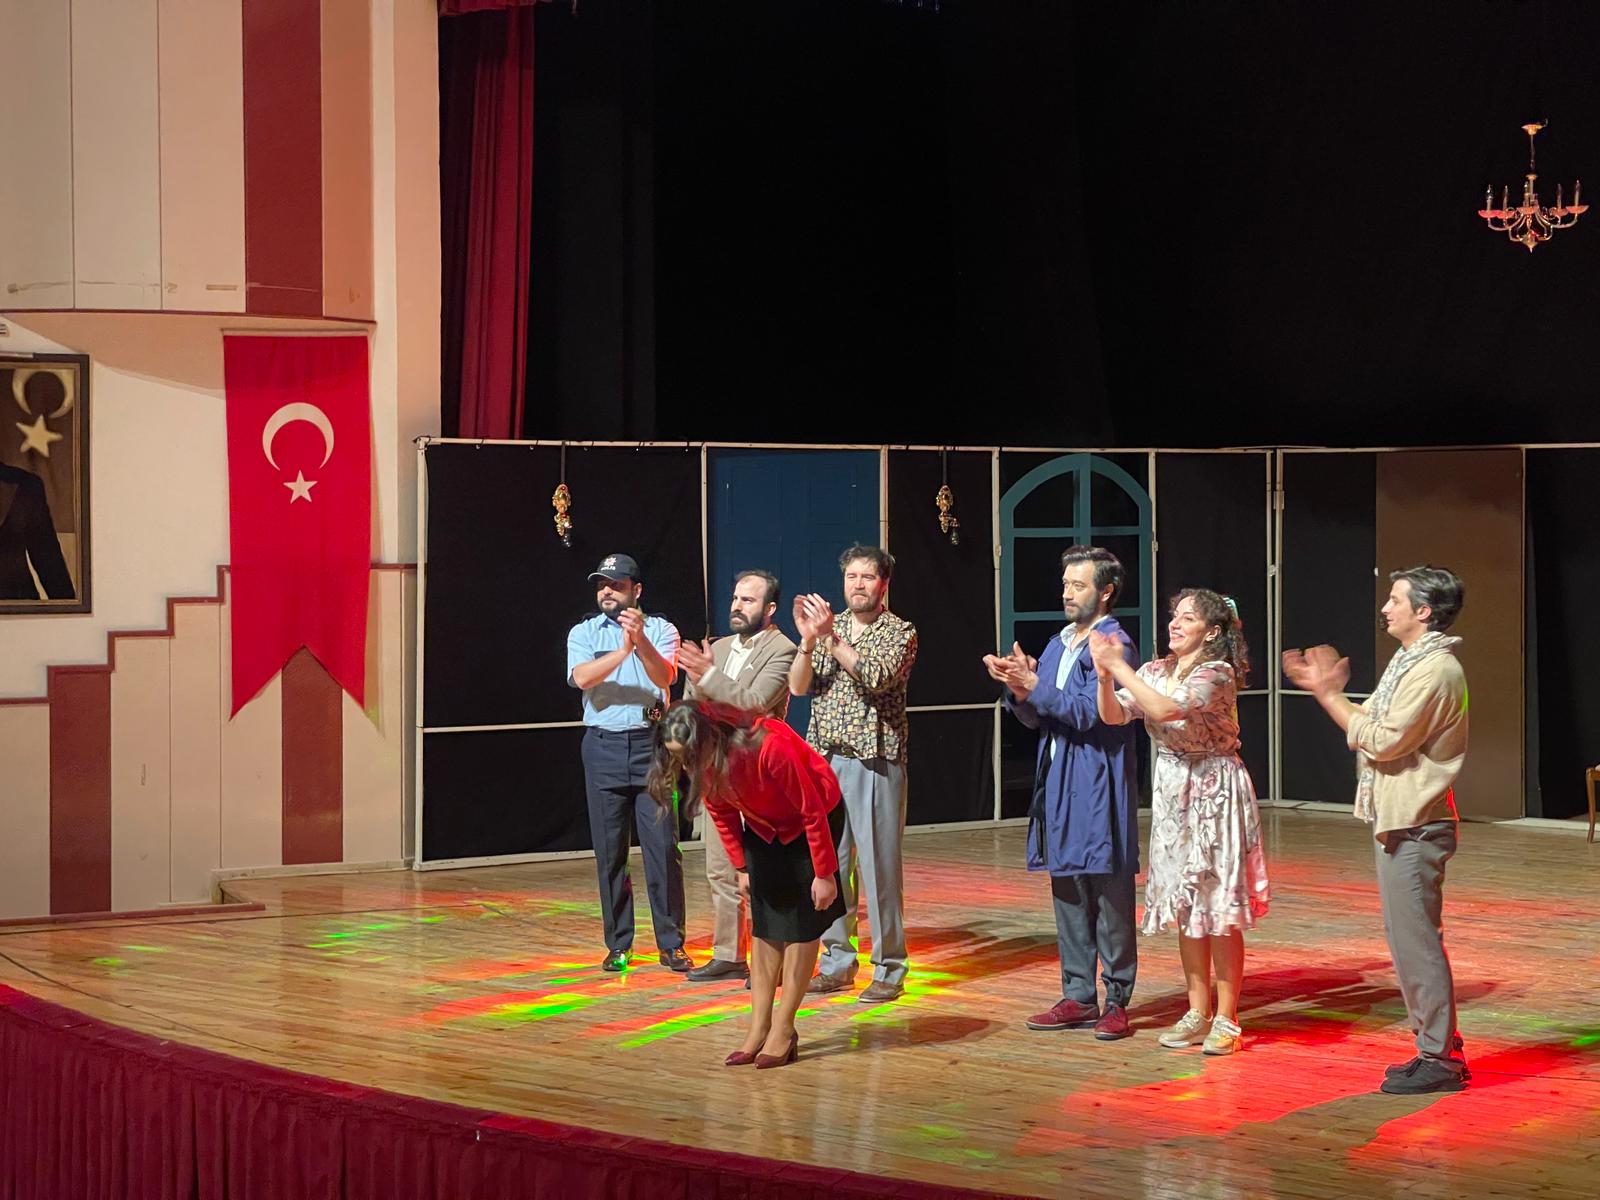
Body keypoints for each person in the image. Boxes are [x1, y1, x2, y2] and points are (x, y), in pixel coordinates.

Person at [1282, 565, 1470, 1095]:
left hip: (1417, 822)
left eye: (1395, 600)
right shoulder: (1411, 661)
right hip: (1401, 818)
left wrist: (1329, 696)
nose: (1385, 608)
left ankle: (1440, 1059)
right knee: (1407, 941)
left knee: (1416, 945)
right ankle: (1437, 1047)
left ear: (1423, 611)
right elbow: (1377, 724)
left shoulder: (1435, 670)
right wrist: (1335, 698)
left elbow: (1385, 741)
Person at [1089, 588, 1270, 1056]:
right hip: (1174, 791)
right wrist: (1105, 677)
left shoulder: (1217, 673)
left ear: (1210, 632)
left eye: (1187, 617)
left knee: (1218, 907)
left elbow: (1168, 709)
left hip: (1215, 787)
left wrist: (1119, 665)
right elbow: (1114, 715)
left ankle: (1227, 1018)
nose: (1174, 622)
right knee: (1187, 905)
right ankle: (1197, 1011)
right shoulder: (1154, 671)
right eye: (1174, 615)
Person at [986, 545, 1140, 1040]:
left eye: (1079, 585)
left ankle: (1116, 998)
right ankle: (1078, 994)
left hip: (1096, 779)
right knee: (1068, 887)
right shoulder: (1058, 643)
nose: (1067, 593)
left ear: (1106, 591)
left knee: (1108, 891)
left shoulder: (1113, 645)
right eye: (1066, 584)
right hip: (1057, 779)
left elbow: (1090, 713)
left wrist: (1034, 684)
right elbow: (1040, 716)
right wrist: (1019, 689)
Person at [648, 700, 846, 1069]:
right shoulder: (703, 765)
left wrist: (824, 873)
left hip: (812, 821)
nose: (687, 766)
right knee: (766, 924)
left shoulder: (769, 745)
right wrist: (742, 867)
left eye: (689, 755)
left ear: (709, 738)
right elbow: (722, 814)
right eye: (679, 758)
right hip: (764, 827)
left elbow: (811, 809)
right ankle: (758, 1028)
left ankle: (783, 1029)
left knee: (801, 926)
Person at [789, 545, 918, 1003]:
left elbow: (876, 677)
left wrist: (831, 639)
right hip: (825, 761)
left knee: (880, 868)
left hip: (874, 760)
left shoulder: (899, 631)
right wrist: (809, 641)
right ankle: (837, 962)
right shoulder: (831, 627)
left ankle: (889, 968)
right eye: (851, 577)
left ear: (884, 584)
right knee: (830, 865)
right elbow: (799, 687)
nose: (857, 585)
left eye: (867, 577)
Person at [565, 553, 691, 974]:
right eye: (602, 584)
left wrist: (640, 643)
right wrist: (622, 651)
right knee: (610, 852)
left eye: (616, 585)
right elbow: (582, 678)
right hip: (603, 745)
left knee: (663, 849)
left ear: (636, 590)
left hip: (651, 746)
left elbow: (665, 677)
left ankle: (671, 943)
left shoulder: (662, 629)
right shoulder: (583, 632)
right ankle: (619, 943)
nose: (606, 591)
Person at [680, 570, 799, 984]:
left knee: (763, 869)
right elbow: (693, 705)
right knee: (721, 868)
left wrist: (708, 677)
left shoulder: (783, 649)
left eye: (748, 600)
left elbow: (754, 703)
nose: (737, 606)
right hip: (718, 771)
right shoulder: (718, 647)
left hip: (759, 775)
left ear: (770, 608)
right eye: (735, 598)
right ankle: (729, 954)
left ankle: (771, 962)